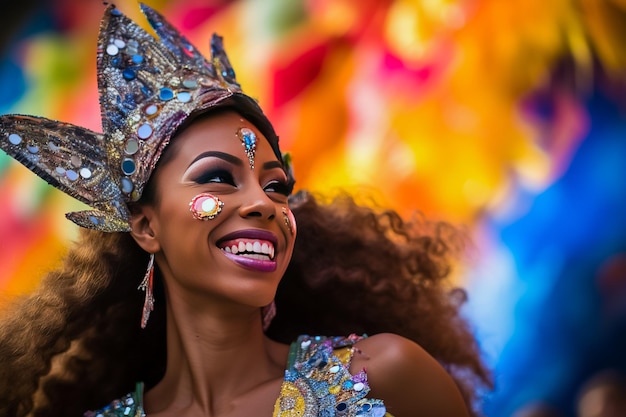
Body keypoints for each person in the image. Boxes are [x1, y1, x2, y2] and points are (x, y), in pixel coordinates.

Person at [0, 4, 491, 417]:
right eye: (217, 177)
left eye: (277, 186)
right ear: (147, 226)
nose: (264, 203)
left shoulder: (382, 376)